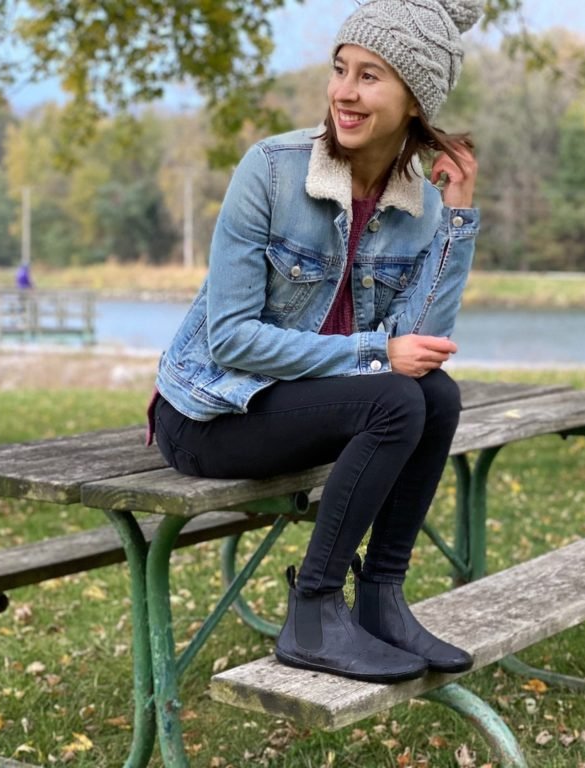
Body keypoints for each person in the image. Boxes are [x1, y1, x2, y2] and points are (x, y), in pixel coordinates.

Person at [148, 0, 483, 683]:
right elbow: (233, 339)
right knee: (393, 398)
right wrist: (373, 354)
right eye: (340, 70)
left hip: (303, 406)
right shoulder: (271, 171)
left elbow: (423, 344)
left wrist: (458, 217)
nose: (344, 92)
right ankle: (313, 610)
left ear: (415, 102)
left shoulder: (416, 205)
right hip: (212, 413)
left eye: (370, 77)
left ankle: (381, 599)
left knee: (436, 397)